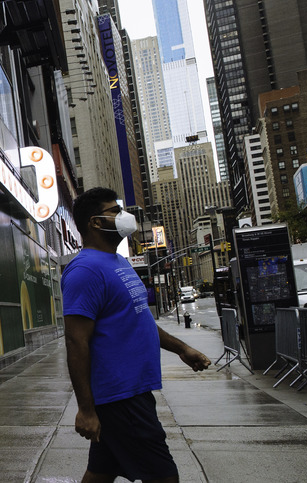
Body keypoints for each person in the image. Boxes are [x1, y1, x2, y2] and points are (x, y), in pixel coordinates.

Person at [62, 187, 211, 483]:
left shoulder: (118, 263)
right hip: (121, 398)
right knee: (164, 477)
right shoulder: (86, 271)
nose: (123, 217)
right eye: (115, 211)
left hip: (134, 392)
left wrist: (182, 349)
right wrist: (85, 409)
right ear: (95, 222)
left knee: (100, 473)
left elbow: (138, 320)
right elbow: (76, 341)